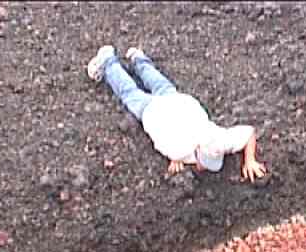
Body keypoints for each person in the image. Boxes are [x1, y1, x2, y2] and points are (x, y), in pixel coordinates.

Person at [87, 46, 267, 182]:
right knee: (129, 93)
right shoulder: (179, 150)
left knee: (159, 84)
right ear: (197, 150)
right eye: (203, 162)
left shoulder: (222, 139)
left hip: (180, 102)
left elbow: (248, 133)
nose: (201, 167)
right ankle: (108, 61)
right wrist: (174, 158)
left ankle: (138, 58)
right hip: (153, 111)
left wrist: (250, 160)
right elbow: (158, 142)